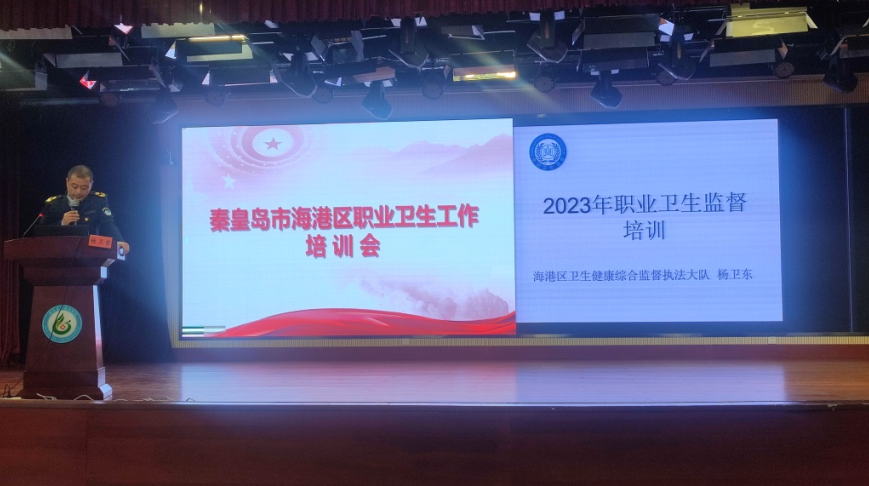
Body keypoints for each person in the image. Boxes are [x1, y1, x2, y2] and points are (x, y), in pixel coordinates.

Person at [40, 165, 131, 255]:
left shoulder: (97, 201)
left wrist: (119, 240)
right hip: (59, 253)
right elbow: (41, 231)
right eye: (74, 186)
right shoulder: (54, 204)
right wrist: (62, 223)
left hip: (89, 255)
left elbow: (108, 223)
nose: (78, 192)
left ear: (91, 185)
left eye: (84, 188)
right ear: (67, 182)